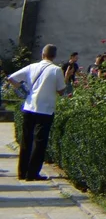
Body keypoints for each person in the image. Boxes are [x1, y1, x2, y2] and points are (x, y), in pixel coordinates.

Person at [5, 44, 69, 181]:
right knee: (40, 142)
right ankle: (32, 173)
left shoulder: (32, 67)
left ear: (42, 54)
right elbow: (61, 90)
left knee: (26, 140)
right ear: (54, 56)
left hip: (29, 107)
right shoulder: (56, 70)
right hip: (45, 110)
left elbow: (11, 78)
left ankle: (21, 172)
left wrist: (22, 89)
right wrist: (66, 78)